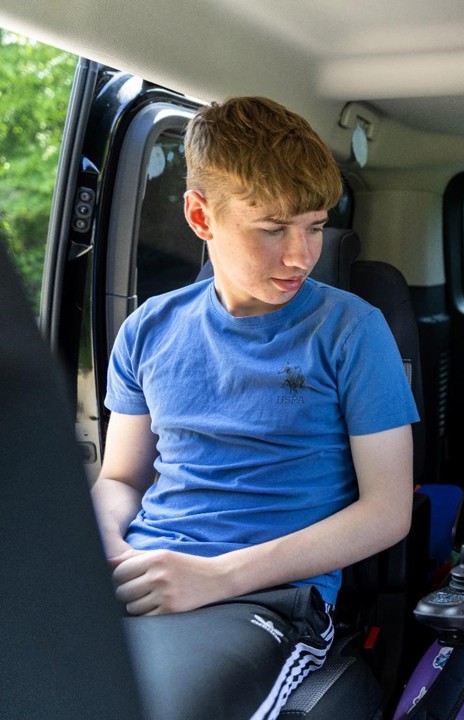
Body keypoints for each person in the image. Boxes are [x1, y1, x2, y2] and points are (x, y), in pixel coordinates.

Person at [90, 96, 419, 720]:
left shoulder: (351, 329)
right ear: (200, 216)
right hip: (141, 570)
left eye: (315, 226)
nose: (300, 255)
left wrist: (217, 579)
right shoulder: (146, 331)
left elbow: (387, 512)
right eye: (272, 228)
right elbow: (121, 477)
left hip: (270, 598)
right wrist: (103, 543)